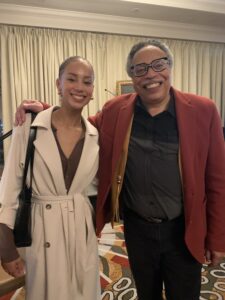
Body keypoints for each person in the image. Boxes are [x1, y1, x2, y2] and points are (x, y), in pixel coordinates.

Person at [15, 40, 225, 300]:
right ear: (132, 77)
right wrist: (47, 111)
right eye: (140, 69)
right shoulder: (117, 109)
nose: (150, 74)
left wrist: (217, 239)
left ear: (170, 67)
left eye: (158, 64)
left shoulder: (203, 110)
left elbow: (217, 180)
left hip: (183, 229)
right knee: (146, 293)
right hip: (137, 230)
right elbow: (80, 126)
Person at [0, 56, 100, 300]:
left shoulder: (94, 135)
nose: (79, 87)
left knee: (83, 291)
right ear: (59, 84)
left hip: (81, 228)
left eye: (86, 82)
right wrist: (6, 248)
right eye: (71, 79)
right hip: (43, 228)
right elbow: (9, 188)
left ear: (92, 90)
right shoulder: (30, 127)